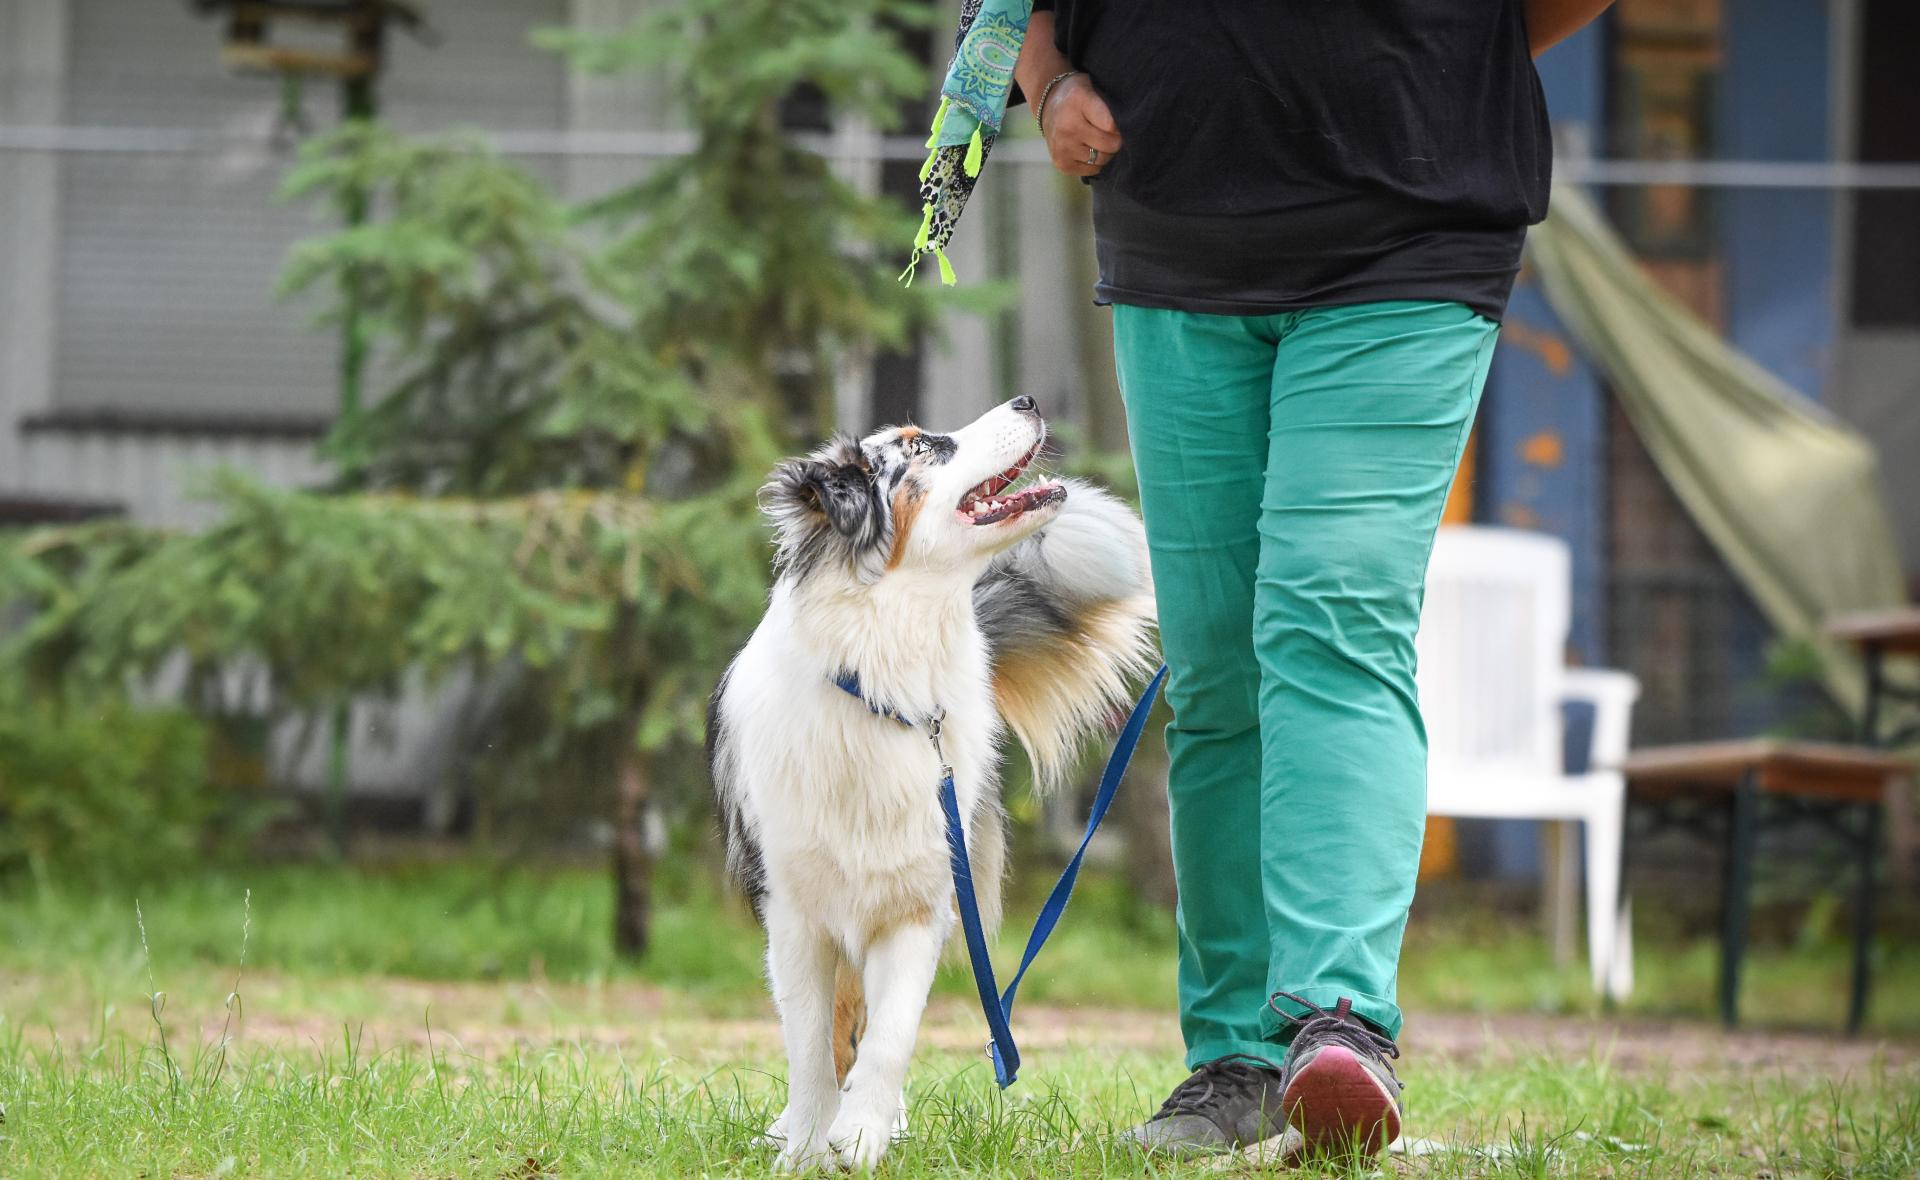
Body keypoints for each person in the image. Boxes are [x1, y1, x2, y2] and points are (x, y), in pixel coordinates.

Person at [1005, 0, 1618, 1159]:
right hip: (1174, 239)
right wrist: (1045, 83)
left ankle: (1338, 1023)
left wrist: (1432, 53)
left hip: (1409, 232)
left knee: (1329, 617)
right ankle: (1232, 1059)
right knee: (1221, 659)